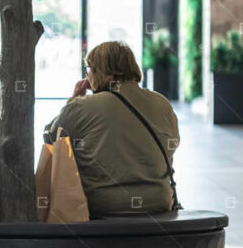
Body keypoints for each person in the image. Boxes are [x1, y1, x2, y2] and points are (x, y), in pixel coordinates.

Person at [43, 41, 179, 217]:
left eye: (89, 69)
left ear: (100, 72)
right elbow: (172, 144)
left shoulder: (84, 106)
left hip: (104, 204)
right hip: (160, 201)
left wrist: (73, 99)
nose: (87, 75)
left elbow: (50, 137)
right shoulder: (162, 103)